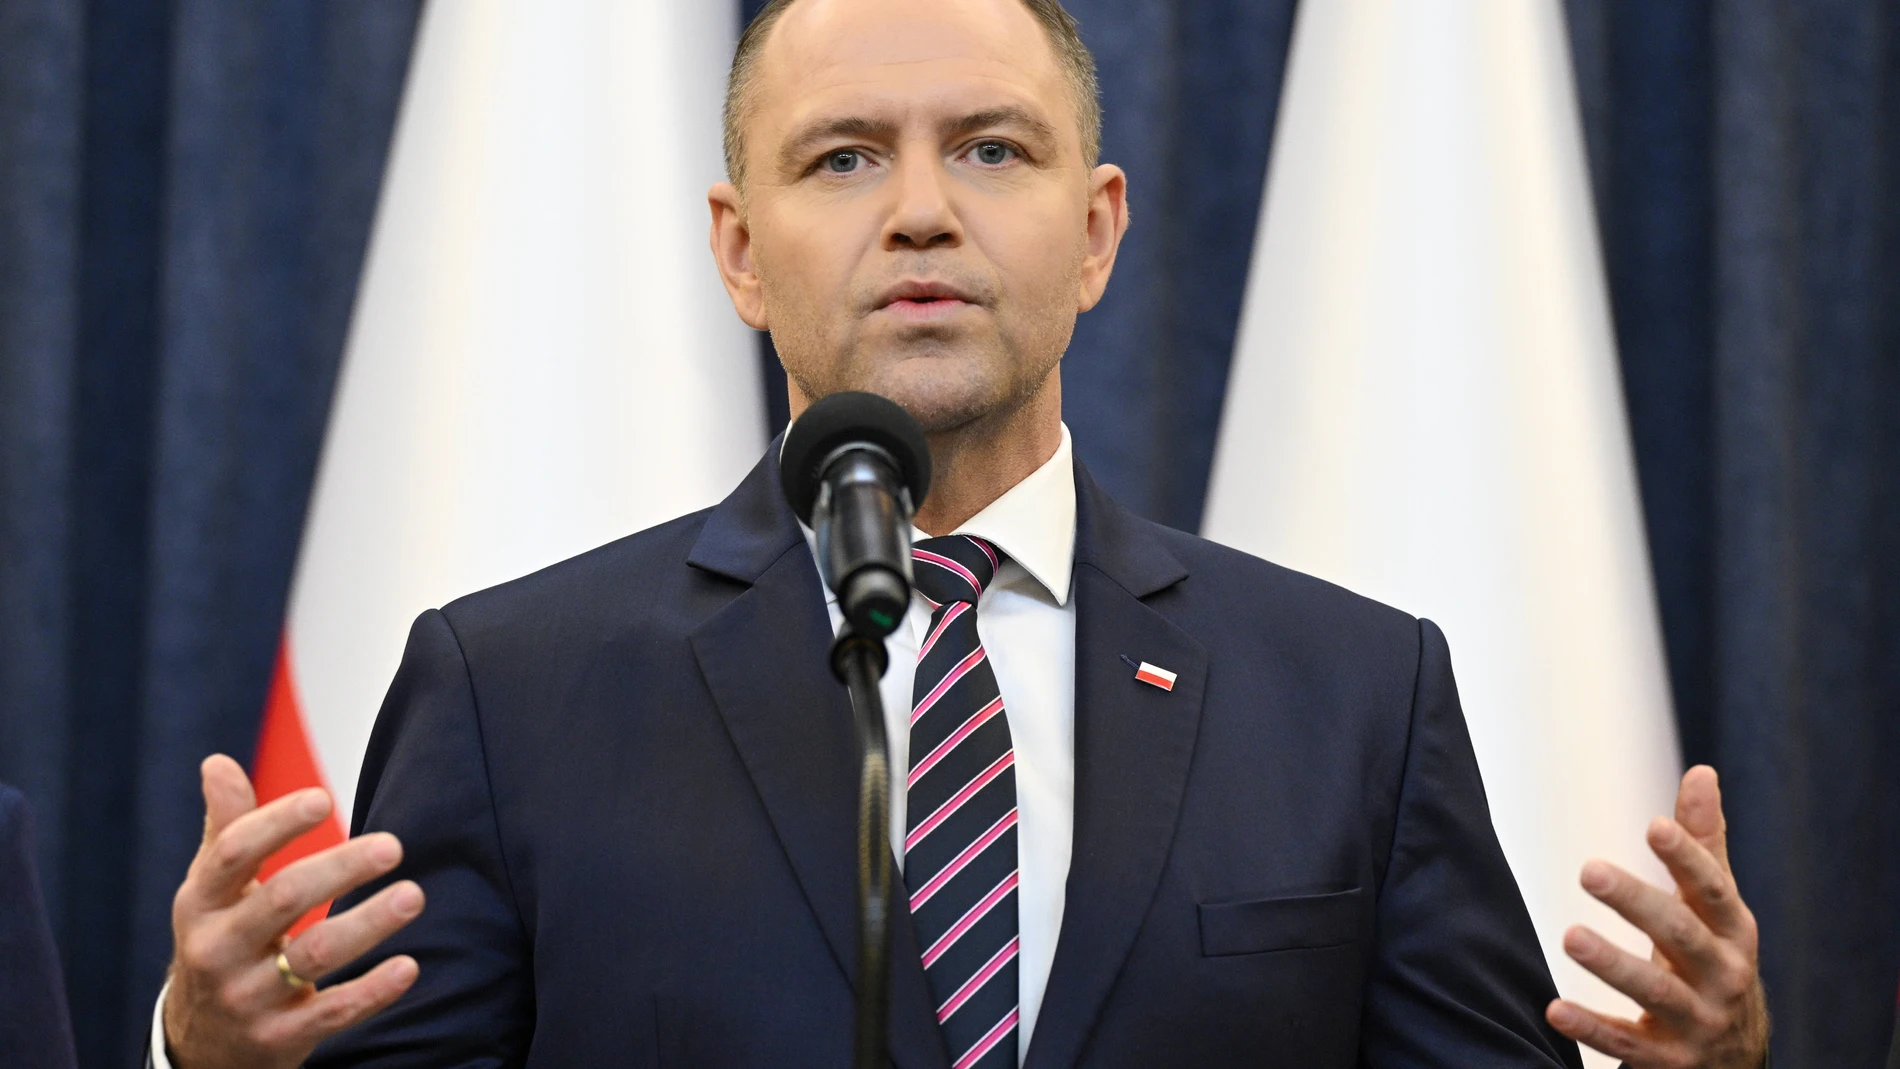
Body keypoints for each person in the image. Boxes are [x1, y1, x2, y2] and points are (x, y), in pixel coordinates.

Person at [148, 0, 1772, 1066]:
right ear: (737, 253)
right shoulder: (511, 690)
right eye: (844, 158)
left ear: (1096, 231)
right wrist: (218, 1060)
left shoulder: (1354, 693)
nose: (921, 209)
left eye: (991, 150)